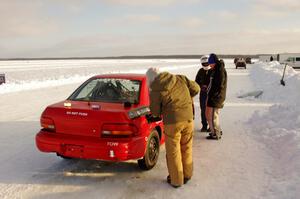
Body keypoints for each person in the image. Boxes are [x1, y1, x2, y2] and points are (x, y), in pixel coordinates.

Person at [146, 68, 200, 188]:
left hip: (173, 123)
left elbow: (155, 112)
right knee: (186, 147)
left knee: (173, 152)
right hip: (188, 118)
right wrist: (185, 98)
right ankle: (187, 175)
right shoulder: (180, 78)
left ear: (151, 78)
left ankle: (176, 180)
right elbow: (196, 88)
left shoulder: (155, 88)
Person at [206, 53, 227, 140]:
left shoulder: (220, 70)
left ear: (214, 62)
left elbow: (219, 85)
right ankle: (215, 131)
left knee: (213, 116)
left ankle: (216, 134)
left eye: (210, 63)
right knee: (212, 115)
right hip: (214, 96)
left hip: (216, 97)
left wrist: (214, 95)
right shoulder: (216, 69)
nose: (209, 65)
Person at [195, 55, 211, 132]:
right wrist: (201, 86)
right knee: (203, 110)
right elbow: (196, 82)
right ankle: (204, 125)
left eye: (206, 63)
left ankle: (211, 126)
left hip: (211, 93)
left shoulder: (213, 70)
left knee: (211, 110)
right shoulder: (200, 71)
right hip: (203, 94)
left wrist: (208, 86)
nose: (205, 65)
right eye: (204, 64)